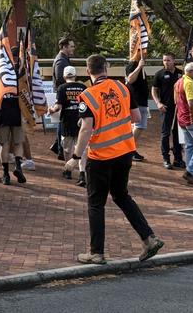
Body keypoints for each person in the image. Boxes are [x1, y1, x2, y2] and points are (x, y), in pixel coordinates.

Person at [65, 54, 163, 265]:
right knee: (121, 195)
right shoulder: (122, 88)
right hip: (125, 152)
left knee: (96, 203)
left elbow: (86, 129)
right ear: (106, 68)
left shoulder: (88, 96)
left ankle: (96, 252)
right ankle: (149, 238)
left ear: (88, 71)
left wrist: (74, 157)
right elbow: (136, 118)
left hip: (100, 156)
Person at [0, 48, 26, 186]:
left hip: (1, 113)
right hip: (17, 112)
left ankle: (5, 173)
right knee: (18, 142)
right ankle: (18, 166)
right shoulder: (20, 74)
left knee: (4, 144)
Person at [48, 66, 87, 186]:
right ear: (75, 76)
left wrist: (51, 110)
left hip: (67, 121)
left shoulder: (62, 88)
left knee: (67, 148)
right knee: (82, 149)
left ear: (64, 76)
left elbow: (58, 107)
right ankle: (82, 174)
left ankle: (68, 170)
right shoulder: (83, 87)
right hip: (81, 120)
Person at [151, 53, 185, 170]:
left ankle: (178, 159)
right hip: (166, 108)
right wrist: (158, 103)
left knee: (177, 133)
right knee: (165, 134)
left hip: (179, 108)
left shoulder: (181, 73)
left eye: (168, 60)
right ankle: (166, 159)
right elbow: (154, 90)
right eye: (164, 60)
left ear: (173, 61)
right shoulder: (159, 74)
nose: (166, 62)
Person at [51, 36, 76, 160]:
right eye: (71, 46)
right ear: (64, 47)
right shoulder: (61, 61)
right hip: (63, 94)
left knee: (62, 121)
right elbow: (61, 79)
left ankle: (58, 146)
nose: (73, 48)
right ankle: (60, 148)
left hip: (63, 93)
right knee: (62, 121)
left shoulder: (63, 59)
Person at [125, 59, 148, 161]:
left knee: (135, 126)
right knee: (140, 126)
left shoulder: (137, 65)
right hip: (137, 101)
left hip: (140, 101)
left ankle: (130, 149)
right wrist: (139, 66)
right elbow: (130, 79)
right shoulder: (133, 65)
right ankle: (129, 149)